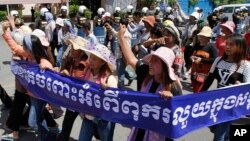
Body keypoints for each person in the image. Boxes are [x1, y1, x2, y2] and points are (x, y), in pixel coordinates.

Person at [118, 22, 182, 141]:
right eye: (151, 59)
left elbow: (178, 119)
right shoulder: (146, 73)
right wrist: (121, 37)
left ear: (165, 66)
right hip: (140, 129)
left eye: (156, 61)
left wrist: (172, 100)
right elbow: (130, 58)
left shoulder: (174, 87)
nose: (150, 63)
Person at [201, 34, 250, 141]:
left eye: (231, 45)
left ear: (240, 47)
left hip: (233, 105)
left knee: (219, 136)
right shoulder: (218, 60)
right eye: (226, 44)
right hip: (217, 103)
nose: (227, 47)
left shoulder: (246, 65)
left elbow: (248, 88)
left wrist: (240, 86)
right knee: (213, 127)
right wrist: (198, 96)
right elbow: (209, 80)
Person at [78, 44, 117, 141]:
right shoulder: (86, 73)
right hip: (87, 117)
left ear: (102, 62)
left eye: (95, 59)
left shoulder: (109, 79)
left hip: (102, 120)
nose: (90, 60)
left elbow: (115, 102)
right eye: (91, 57)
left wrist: (108, 91)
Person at [56, 36, 89, 141]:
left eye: (74, 48)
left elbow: (85, 82)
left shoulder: (87, 64)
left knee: (92, 125)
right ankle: (63, 137)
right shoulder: (69, 60)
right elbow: (62, 75)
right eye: (71, 47)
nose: (71, 49)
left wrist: (68, 76)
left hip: (84, 101)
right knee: (67, 123)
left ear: (81, 51)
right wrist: (62, 67)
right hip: (72, 100)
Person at [190, 26, 218, 93]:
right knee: (194, 89)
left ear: (208, 38)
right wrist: (192, 57)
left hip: (204, 73)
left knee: (199, 91)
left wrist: (201, 59)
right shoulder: (197, 45)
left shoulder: (211, 47)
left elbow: (215, 59)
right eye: (200, 36)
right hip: (194, 71)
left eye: (203, 36)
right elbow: (191, 54)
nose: (201, 38)